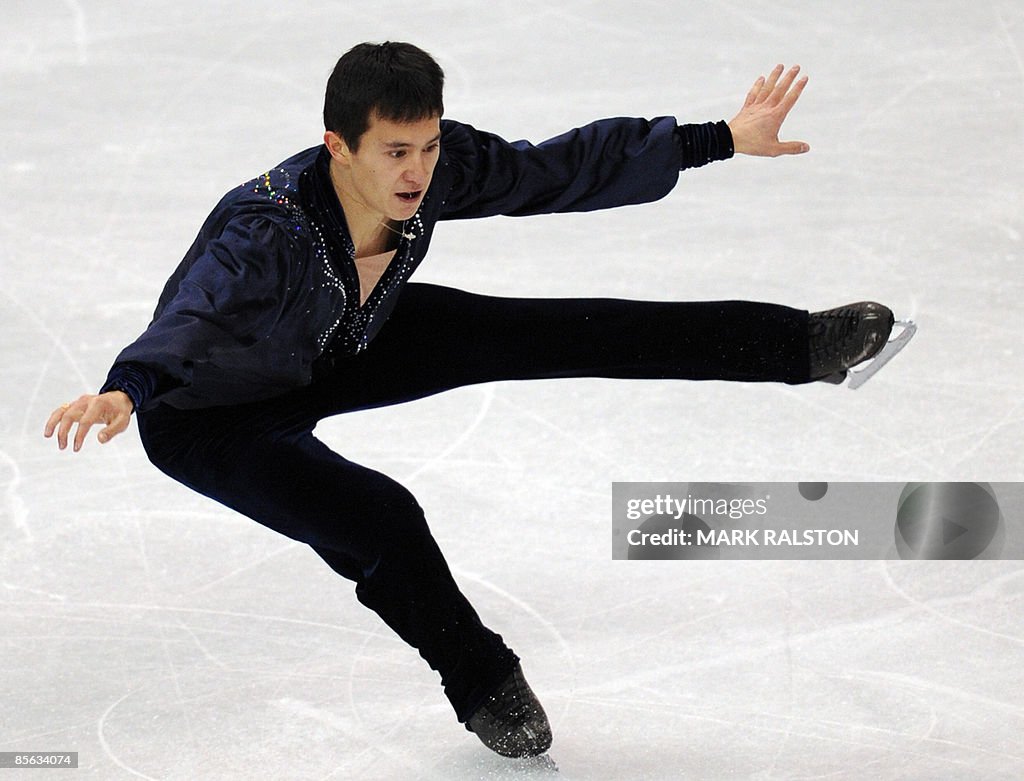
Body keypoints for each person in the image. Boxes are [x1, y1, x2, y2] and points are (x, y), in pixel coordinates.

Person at [44, 42, 894, 758]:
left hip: (344, 340)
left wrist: (718, 139)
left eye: (427, 146)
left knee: (563, 328)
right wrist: (128, 388)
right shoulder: (265, 234)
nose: (416, 171)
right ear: (338, 145)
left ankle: (801, 346)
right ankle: (482, 680)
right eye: (394, 152)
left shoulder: (437, 168)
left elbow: (557, 167)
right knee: (379, 518)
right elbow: (193, 318)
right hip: (208, 412)